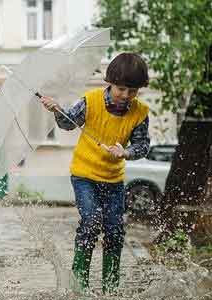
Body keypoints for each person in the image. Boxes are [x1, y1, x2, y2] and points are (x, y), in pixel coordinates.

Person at [40, 52, 151, 295]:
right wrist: (57, 109)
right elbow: (67, 123)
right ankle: (79, 288)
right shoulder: (90, 101)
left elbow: (143, 146)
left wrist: (126, 152)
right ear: (110, 82)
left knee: (114, 230)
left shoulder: (140, 112)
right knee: (90, 223)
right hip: (84, 176)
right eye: (121, 89)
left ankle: (110, 289)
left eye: (133, 91)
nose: (126, 96)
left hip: (114, 179)